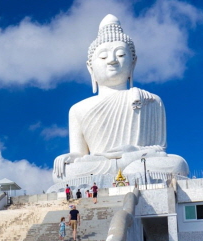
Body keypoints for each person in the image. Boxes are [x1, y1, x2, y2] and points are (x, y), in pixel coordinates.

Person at [52, 14, 188, 182]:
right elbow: (80, 153)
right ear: (90, 67)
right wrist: (69, 157)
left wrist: (132, 152)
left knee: (178, 163)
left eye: (121, 55)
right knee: (65, 172)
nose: (112, 61)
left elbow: (159, 149)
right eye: (103, 56)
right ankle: (128, 171)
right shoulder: (78, 109)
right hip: (99, 164)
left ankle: (129, 169)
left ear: (133, 63)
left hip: (137, 160)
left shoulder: (151, 100)